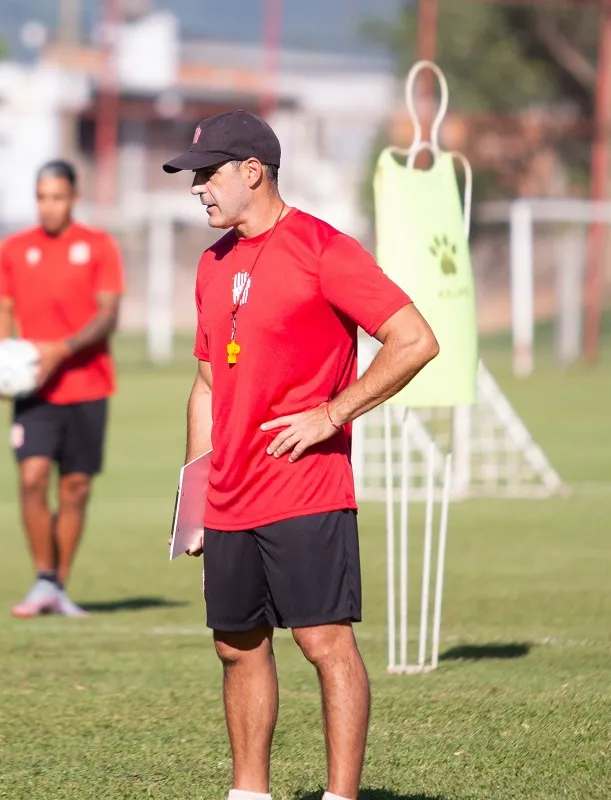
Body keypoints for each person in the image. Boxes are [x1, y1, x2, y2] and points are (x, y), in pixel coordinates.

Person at [164, 110, 440, 800]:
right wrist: (192, 502)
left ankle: (339, 796)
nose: (198, 188)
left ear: (252, 172)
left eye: (209, 173)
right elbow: (205, 387)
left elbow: (414, 340)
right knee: (237, 646)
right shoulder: (210, 264)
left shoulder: (324, 249)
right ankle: (247, 792)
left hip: (306, 490)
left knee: (324, 645)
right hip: (227, 495)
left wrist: (331, 413)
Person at [0, 159, 125, 618]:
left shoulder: (99, 246)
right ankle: (43, 578)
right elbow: (4, 312)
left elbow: (108, 316)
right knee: (32, 478)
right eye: (41, 197)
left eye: (57, 197)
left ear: (74, 198)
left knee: (75, 487)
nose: (49, 206)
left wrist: (61, 349)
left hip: (88, 386)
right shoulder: (14, 249)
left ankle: (58, 585)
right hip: (34, 390)